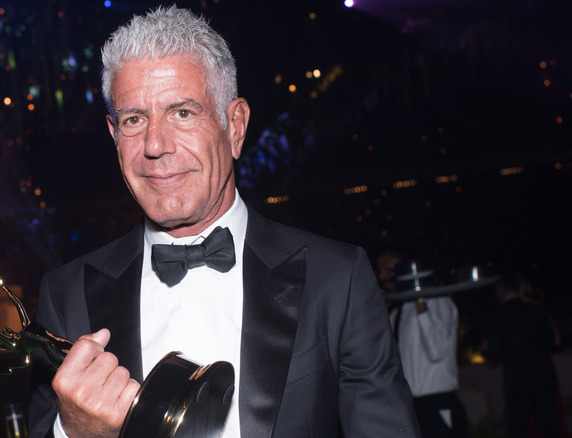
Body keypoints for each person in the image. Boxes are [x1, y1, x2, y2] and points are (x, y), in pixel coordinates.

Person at [28, 6, 419, 438]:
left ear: (235, 126)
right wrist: (77, 433)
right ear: (113, 133)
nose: (155, 145)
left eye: (182, 113)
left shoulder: (336, 279)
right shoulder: (66, 295)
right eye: (134, 119)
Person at [384, 260, 469, 438]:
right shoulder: (397, 312)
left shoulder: (440, 303)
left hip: (438, 402)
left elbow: (436, 351)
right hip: (410, 405)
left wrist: (421, 304)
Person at [483, 273, 561, 438]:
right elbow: (551, 344)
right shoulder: (537, 309)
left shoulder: (498, 316)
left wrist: (486, 349)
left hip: (518, 382)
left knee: (518, 429)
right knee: (550, 428)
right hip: (543, 378)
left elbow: (495, 352)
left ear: (500, 290)